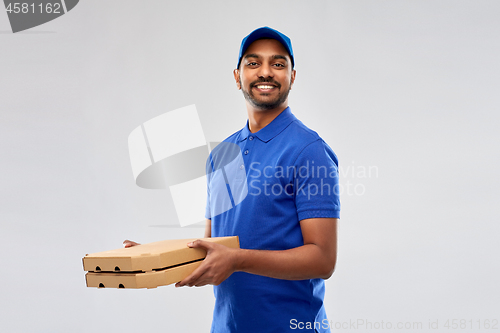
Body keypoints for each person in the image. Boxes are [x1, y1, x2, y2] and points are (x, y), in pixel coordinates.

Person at [124, 27, 340, 333]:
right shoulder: (221, 156)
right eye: (253, 63)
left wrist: (237, 260)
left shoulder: (309, 151)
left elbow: (322, 259)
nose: (266, 72)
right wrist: (153, 260)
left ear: (292, 77)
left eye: (278, 64)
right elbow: (212, 248)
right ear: (237, 76)